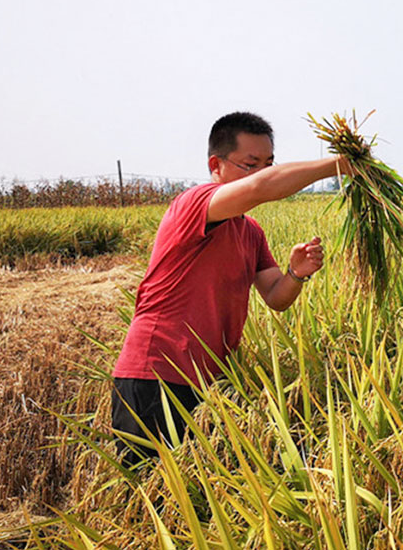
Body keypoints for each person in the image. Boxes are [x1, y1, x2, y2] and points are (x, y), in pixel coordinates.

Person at [110, 111, 350, 463]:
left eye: (269, 163)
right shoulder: (193, 204)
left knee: (204, 503)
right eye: (251, 164)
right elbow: (261, 188)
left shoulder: (250, 232)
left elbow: (276, 297)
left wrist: (296, 274)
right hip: (156, 373)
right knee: (152, 499)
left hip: (210, 383)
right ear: (216, 165)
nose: (263, 173)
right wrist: (340, 165)